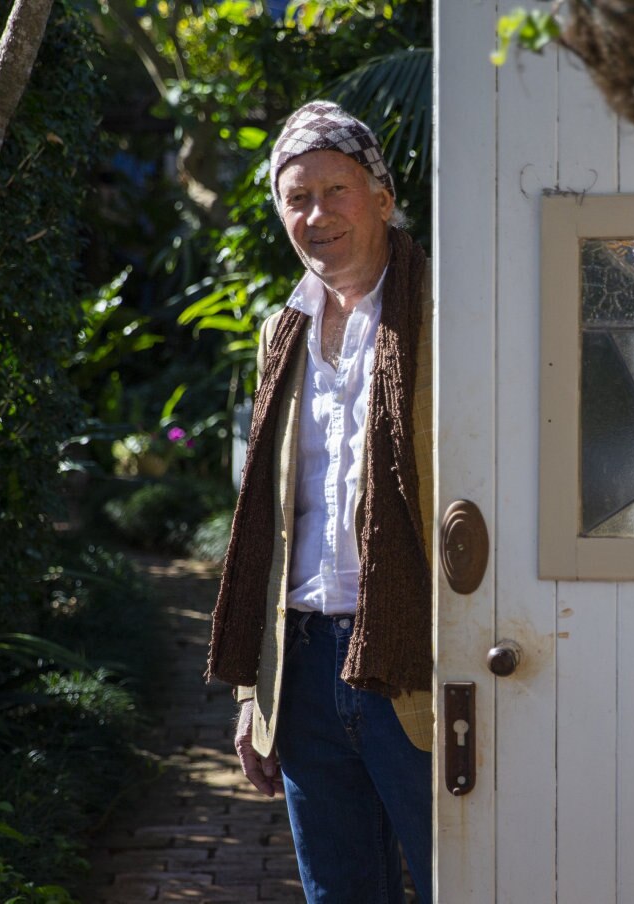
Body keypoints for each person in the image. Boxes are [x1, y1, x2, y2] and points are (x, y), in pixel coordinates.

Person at [206, 100, 434, 904]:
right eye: (296, 198)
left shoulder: (442, 313)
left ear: (381, 196)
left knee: (465, 880)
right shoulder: (284, 333)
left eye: (335, 191)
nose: (315, 215)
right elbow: (264, 523)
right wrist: (253, 696)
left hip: (416, 663)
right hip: (302, 666)